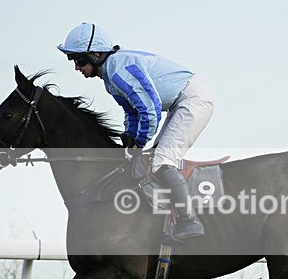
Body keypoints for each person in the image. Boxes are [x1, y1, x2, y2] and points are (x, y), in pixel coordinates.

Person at [58, 22, 213, 240]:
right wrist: (130, 139)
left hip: (192, 100)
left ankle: (190, 222)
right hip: (180, 102)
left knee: (161, 161)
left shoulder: (118, 70)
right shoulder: (110, 77)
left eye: (79, 60)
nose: (76, 67)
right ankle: (169, 221)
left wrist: (138, 144)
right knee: (153, 160)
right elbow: (132, 113)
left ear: (95, 54)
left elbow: (150, 111)